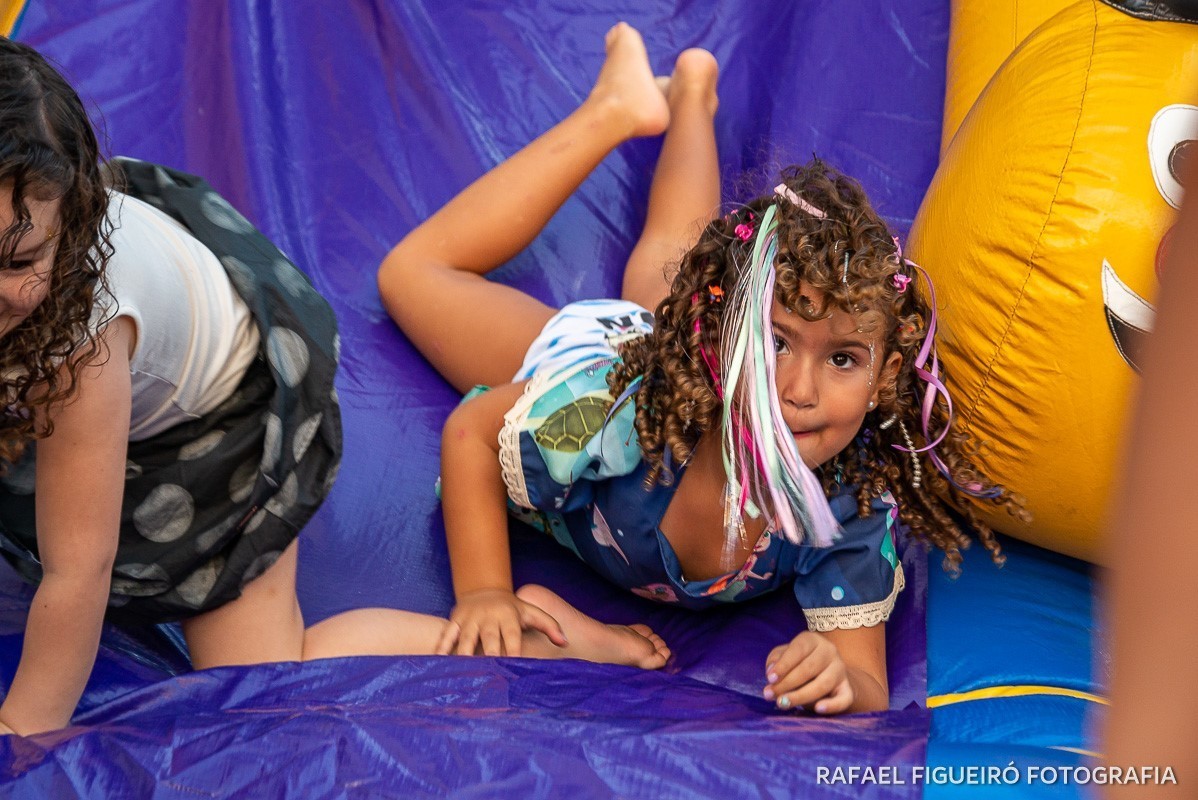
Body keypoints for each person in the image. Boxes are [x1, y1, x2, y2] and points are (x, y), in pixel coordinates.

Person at [379, 23, 1024, 715]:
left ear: (885, 376)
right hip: (619, 356)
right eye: (774, 343)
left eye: (842, 359)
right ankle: (613, 110)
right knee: (412, 273)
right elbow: (474, 432)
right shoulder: (613, 414)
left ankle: (690, 92)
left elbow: (864, 682)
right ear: (724, 336)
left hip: (693, 344)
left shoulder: (850, 505)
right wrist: (484, 593)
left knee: (664, 261)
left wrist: (841, 681)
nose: (797, 393)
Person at [0, 38, 455, 736]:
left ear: (73, 211)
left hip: (221, 422)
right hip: (167, 288)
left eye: (17, 259)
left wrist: (18, 741)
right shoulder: (24, 229)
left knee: (254, 687)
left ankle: (497, 636)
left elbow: (77, 571)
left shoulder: (80, 348)